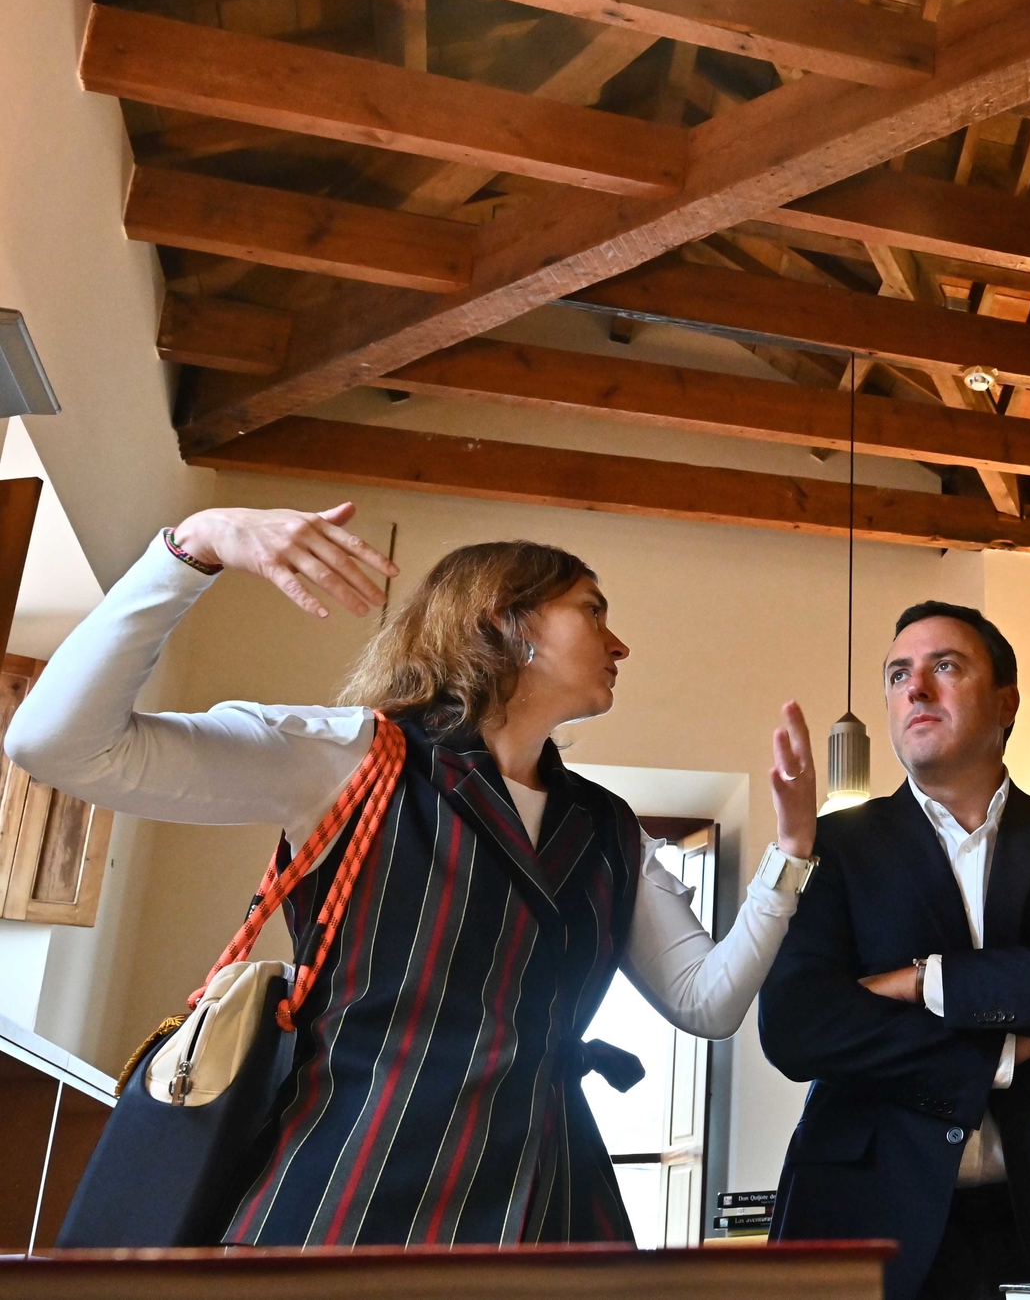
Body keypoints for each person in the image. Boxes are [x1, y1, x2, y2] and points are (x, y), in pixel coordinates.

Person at [6, 503, 822, 1246]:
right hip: (345, 1202)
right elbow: (57, 745)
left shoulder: (608, 826)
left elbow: (706, 1003)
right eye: (592, 609)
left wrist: (789, 853)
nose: (619, 643)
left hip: (554, 1213)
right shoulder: (353, 758)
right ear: (505, 620)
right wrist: (197, 545)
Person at [758, 601, 1030, 1300]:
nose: (915, 688)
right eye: (897, 675)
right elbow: (796, 1027)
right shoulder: (834, 846)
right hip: (867, 1212)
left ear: (1006, 702)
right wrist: (1007, 1044)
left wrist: (921, 982)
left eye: (945, 666)